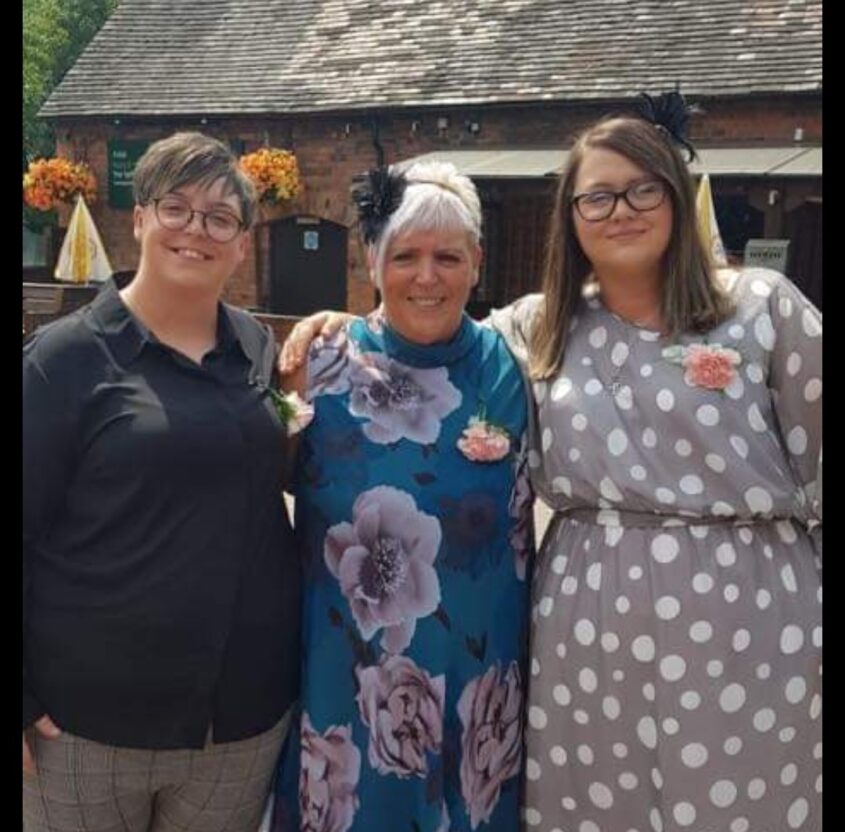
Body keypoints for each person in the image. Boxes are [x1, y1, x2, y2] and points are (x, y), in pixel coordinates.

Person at [280, 95, 822, 831]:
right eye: (595, 195)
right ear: (568, 214)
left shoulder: (761, 306)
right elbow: (423, 335)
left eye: (640, 189)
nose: (618, 210)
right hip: (584, 627)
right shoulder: (538, 327)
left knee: (742, 802)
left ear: (676, 193)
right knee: (597, 807)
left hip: (745, 617)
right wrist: (341, 326)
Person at [23, 132, 301, 832]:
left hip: (237, 720)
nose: (195, 230)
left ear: (240, 242)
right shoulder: (65, 360)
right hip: (86, 724)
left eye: (218, 217)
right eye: (175, 207)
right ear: (140, 219)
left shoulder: (257, 347)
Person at [271, 161, 534, 832]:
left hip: (478, 679)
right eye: (405, 255)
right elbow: (256, 482)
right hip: (347, 679)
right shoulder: (319, 361)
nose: (426, 276)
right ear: (370, 259)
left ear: (476, 262)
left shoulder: (517, 366)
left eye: (447, 256)